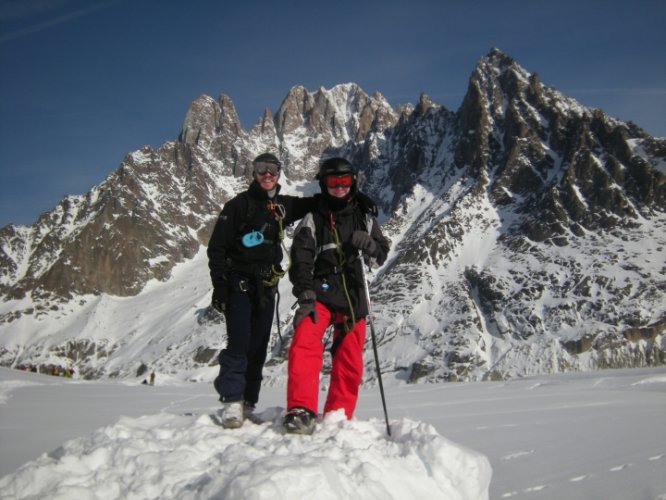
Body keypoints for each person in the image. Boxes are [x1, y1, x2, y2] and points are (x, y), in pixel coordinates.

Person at [207, 153, 318, 428]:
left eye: (273, 170)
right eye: (261, 170)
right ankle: (232, 401)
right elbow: (217, 247)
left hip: (266, 288)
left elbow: (313, 203)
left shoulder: (283, 206)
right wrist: (220, 287)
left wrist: (348, 194)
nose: (267, 175)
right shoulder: (237, 206)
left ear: (279, 173)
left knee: (257, 348)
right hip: (239, 285)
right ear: (253, 173)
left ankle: (247, 403)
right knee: (239, 344)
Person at [283, 157, 390, 435]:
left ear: (353, 182)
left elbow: (381, 254)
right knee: (305, 341)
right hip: (320, 291)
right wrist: (305, 291)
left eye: (345, 181)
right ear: (324, 184)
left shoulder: (364, 216)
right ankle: (300, 410)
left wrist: (370, 245)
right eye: (333, 182)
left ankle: (338, 415)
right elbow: (301, 259)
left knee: (350, 356)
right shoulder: (314, 217)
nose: (340, 187)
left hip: (354, 294)